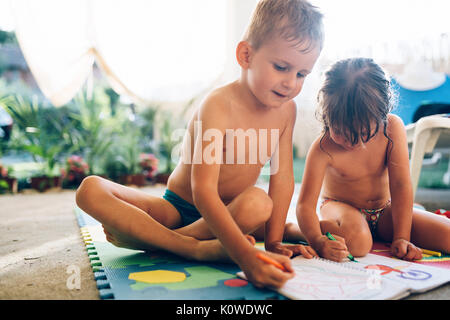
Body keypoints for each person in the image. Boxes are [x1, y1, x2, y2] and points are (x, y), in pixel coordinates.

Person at [76, 0, 323, 289]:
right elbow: (202, 190)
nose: (291, 83)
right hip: (180, 209)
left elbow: (281, 179)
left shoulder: (287, 110)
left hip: (234, 212)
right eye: (282, 67)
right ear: (246, 55)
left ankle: (153, 238)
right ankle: (192, 247)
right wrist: (244, 255)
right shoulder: (218, 105)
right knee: (89, 189)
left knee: (258, 202)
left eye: (301, 74)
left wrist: (274, 242)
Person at [289, 57, 450, 262]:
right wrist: (316, 239)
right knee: (358, 244)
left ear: (382, 114)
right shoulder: (323, 147)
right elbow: (304, 205)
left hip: (384, 210)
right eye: (339, 131)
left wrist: (402, 237)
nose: (350, 141)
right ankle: (295, 230)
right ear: (326, 117)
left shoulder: (392, 128)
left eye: (363, 132)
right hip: (339, 207)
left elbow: (400, 185)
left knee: (447, 235)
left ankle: (380, 232)